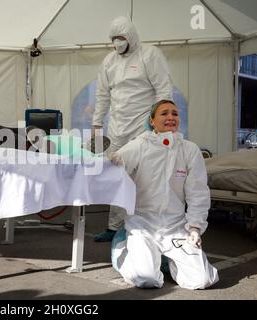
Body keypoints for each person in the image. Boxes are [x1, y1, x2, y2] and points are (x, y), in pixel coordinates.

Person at [110, 100, 219, 289]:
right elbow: (117, 164)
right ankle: (121, 246)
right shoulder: (140, 145)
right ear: (152, 121)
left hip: (175, 226)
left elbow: (198, 192)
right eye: (164, 113)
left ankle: (166, 260)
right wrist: (115, 161)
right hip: (143, 223)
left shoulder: (189, 149)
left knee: (201, 280)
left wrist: (194, 227)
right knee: (147, 279)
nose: (170, 117)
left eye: (175, 114)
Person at [93, 16, 173, 242]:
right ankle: (114, 226)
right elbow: (102, 95)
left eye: (121, 38)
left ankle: (143, 226)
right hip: (116, 128)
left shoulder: (150, 55)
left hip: (143, 127)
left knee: (145, 177)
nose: (117, 43)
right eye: (114, 39)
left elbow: (163, 90)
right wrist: (97, 124)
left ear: (131, 37)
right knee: (116, 175)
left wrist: (161, 123)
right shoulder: (109, 61)